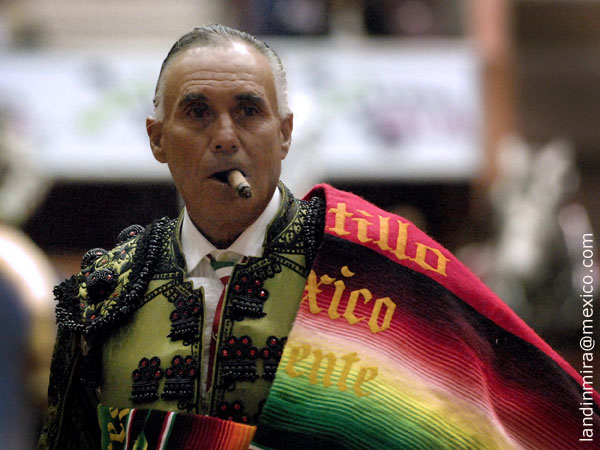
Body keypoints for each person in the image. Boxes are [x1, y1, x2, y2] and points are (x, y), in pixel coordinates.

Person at [39, 25, 598, 450]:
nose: (225, 136)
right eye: (198, 113)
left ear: (285, 134)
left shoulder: (373, 259)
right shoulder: (104, 291)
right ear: (157, 139)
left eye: (249, 111)